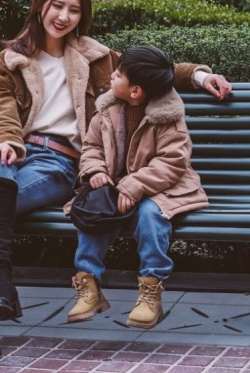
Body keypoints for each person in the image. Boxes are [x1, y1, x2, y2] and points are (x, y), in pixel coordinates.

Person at [0, 0, 231, 363]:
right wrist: (6, 143)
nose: (63, 16)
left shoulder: (95, 59)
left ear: (83, 15)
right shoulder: (8, 61)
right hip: (14, 154)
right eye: (57, 5)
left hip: (59, 164)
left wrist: (198, 74)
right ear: (40, 3)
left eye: (73, 10)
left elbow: (148, 70)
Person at [64, 45, 209, 330]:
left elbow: (173, 162)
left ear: (135, 92)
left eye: (117, 75)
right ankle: (89, 282)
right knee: (93, 214)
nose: (111, 77)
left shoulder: (167, 117)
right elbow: (91, 146)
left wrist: (135, 184)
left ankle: (151, 288)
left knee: (149, 216)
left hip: (164, 188)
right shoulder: (107, 110)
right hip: (117, 188)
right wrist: (94, 170)